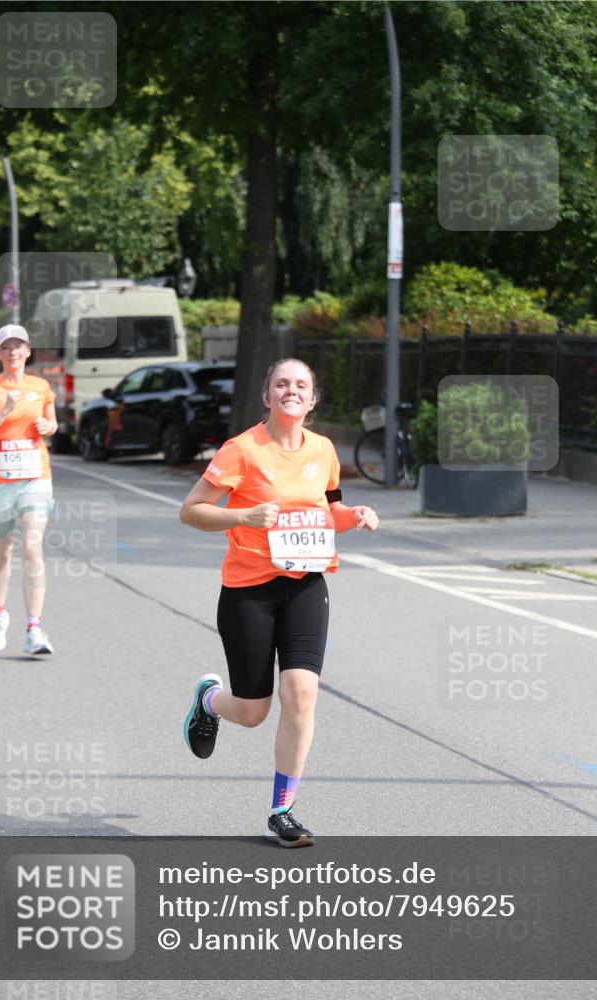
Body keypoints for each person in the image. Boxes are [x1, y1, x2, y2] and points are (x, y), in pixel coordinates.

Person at [180, 357, 379, 847]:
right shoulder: (241, 450)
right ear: (267, 396)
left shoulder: (324, 450)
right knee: (252, 712)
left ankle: (282, 810)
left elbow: (330, 510)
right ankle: (208, 699)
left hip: (306, 586)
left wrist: (355, 516)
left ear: (312, 400)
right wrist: (244, 516)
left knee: (301, 694)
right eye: (282, 384)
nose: (291, 391)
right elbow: (191, 511)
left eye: (301, 385)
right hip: (249, 591)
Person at [0, 324, 58, 655]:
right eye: (6, 347)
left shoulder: (41, 386)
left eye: (18, 346)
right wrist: (5, 410)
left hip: (35, 478)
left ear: (28, 351)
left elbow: (52, 423)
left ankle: (34, 628)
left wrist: (49, 426)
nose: (13, 352)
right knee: (2, 552)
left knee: (32, 549)